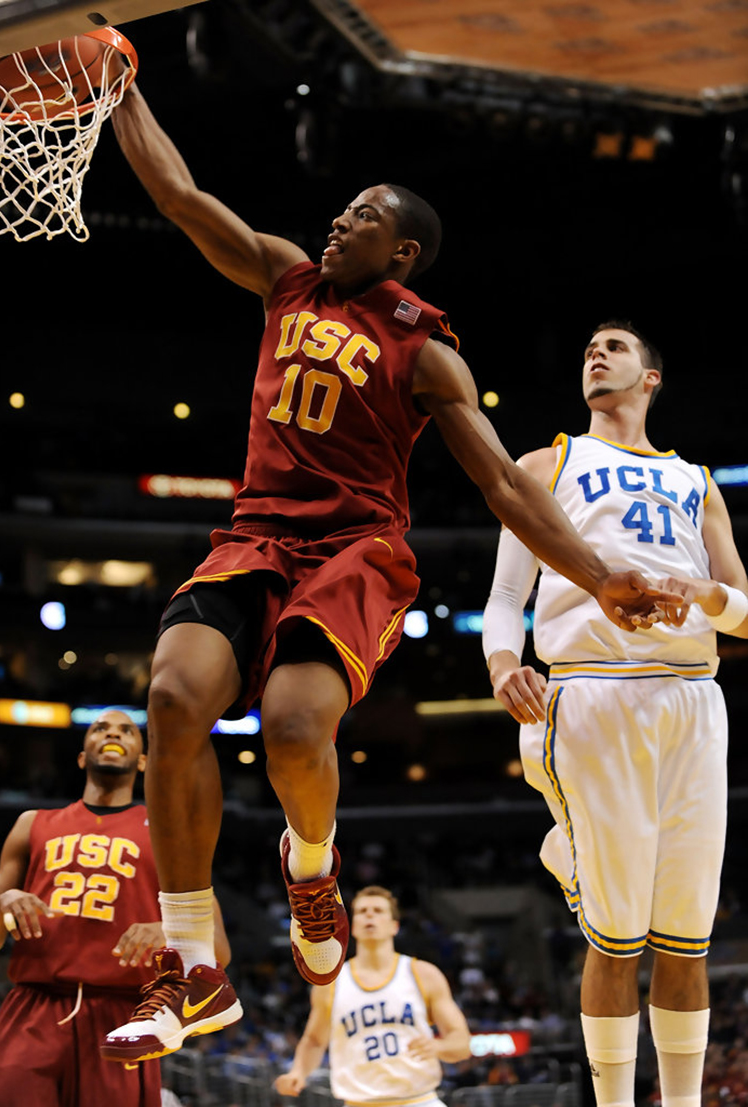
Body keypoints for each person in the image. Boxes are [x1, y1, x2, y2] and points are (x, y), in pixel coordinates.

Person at [102, 81, 682, 1063]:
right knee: (169, 696)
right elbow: (179, 195)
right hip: (254, 535)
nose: (338, 222)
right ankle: (194, 969)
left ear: (402, 250)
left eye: (362, 215)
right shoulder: (285, 277)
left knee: (292, 728)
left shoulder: (424, 346)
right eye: (341, 209)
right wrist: (118, 85)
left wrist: (601, 575)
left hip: (357, 550)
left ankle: (313, 864)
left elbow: (502, 481)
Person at [482, 321, 748, 1107]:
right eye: (589, 347)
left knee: (686, 936)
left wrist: (706, 597)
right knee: (617, 935)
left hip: (693, 700)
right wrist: (503, 664)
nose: (596, 353)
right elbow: (504, 598)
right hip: (594, 686)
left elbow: (744, 611)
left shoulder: (698, 481)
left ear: (651, 378)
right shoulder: (547, 462)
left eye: (616, 346)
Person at [0, 707, 232, 1107]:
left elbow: (219, 950)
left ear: (142, 761)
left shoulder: (169, 836)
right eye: (101, 728)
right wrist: (4, 899)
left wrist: (169, 931)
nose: (113, 733)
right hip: (33, 1006)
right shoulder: (32, 823)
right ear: (81, 755)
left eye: (127, 730)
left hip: (123, 1014)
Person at [274, 885, 472, 1107]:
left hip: (419, 1100)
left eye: (378, 911)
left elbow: (462, 1044)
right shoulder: (332, 983)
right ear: (352, 926)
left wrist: (439, 1047)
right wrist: (298, 1072)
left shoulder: (422, 974)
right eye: (362, 911)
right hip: (359, 1102)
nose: (369, 915)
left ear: (394, 926)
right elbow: (314, 1040)